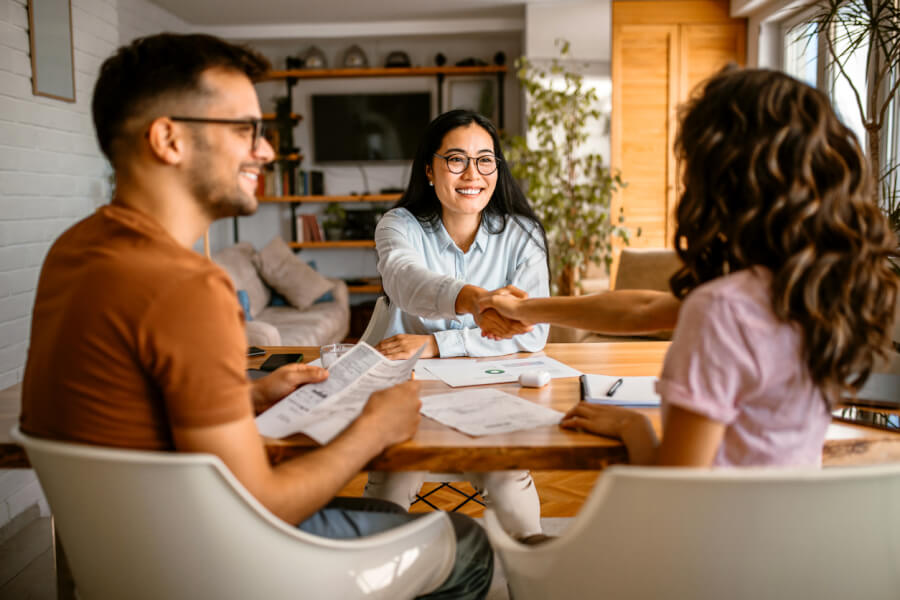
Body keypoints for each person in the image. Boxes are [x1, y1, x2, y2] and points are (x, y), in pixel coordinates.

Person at [19, 33, 493, 599]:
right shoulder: (188, 286)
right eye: (244, 129)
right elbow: (262, 501)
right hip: (216, 563)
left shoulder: (74, 251)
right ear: (168, 138)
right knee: (468, 543)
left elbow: (121, 415)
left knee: (372, 508)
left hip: (131, 551)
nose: (266, 151)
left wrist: (245, 395)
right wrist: (374, 430)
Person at [490, 66, 898, 467]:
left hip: (716, 532)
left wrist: (635, 429)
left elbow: (683, 495)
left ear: (725, 178)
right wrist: (526, 310)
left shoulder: (724, 308)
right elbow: (644, 310)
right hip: (792, 529)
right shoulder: (820, 289)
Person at [364, 109, 550, 538]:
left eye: (485, 160)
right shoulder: (398, 226)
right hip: (401, 397)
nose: (473, 173)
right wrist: (476, 302)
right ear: (429, 169)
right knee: (387, 487)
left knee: (509, 480)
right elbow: (406, 282)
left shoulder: (523, 235)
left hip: (491, 396)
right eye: (456, 159)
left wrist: (434, 345)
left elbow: (533, 332)